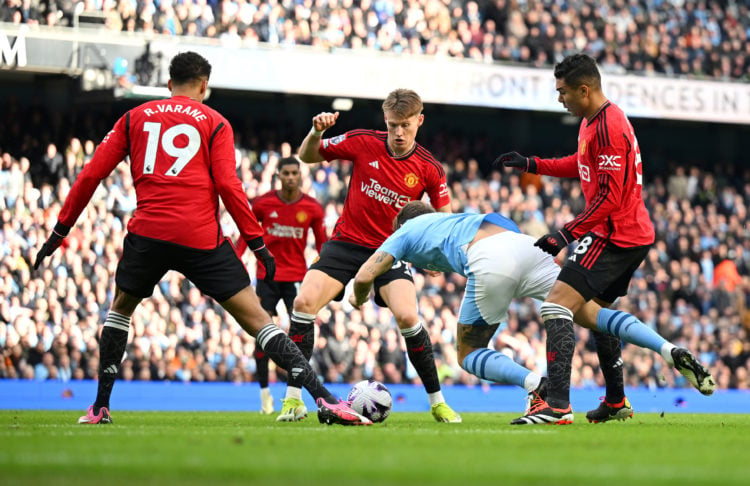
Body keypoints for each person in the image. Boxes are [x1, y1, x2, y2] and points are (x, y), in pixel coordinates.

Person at [33, 51, 371, 426]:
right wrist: (257, 244)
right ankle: (324, 399)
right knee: (260, 320)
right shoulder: (216, 123)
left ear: (168, 85)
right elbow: (229, 184)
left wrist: (60, 231)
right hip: (200, 237)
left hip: (148, 233)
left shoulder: (133, 118)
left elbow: (90, 175)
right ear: (204, 85)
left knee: (120, 310)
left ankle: (99, 407)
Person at [494, 53, 715, 425]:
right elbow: (578, 164)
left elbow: (610, 198)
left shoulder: (609, 126)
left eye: (563, 91)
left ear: (584, 89)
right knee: (595, 315)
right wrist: (533, 164)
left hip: (614, 236)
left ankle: (558, 406)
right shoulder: (592, 122)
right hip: (631, 234)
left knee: (555, 307)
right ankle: (616, 401)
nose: (559, 98)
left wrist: (566, 234)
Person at [350, 201, 716, 424]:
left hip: (490, 260)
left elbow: (367, 273)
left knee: (467, 352)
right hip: (527, 246)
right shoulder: (456, 219)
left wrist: (359, 298)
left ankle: (537, 387)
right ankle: (669, 350)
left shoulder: (406, 229)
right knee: (588, 312)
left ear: (403, 224)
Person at [277, 89, 462, 423]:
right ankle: (292, 400)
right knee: (303, 304)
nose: (399, 133)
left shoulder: (430, 168)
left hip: (391, 251)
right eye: (393, 125)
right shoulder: (364, 141)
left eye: (405, 125)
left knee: (408, 316)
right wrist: (316, 131)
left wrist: (436, 254)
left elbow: (445, 218)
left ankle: (437, 401)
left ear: (419, 121)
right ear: (385, 121)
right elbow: (308, 156)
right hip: (346, 243)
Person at [234, 156, 327, 414]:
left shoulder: (312, 208)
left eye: (294, 173)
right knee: (261, 335)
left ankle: (293, 394)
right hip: (267, 278)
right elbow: (246, 233)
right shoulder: (263, 203)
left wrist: (324, 273)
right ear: (278, 175)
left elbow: (323, 246)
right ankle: (265, 395)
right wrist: (237, 259)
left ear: (300, 176)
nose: (289, 177)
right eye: (285, 173)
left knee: (301, 337)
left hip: (297, 279)